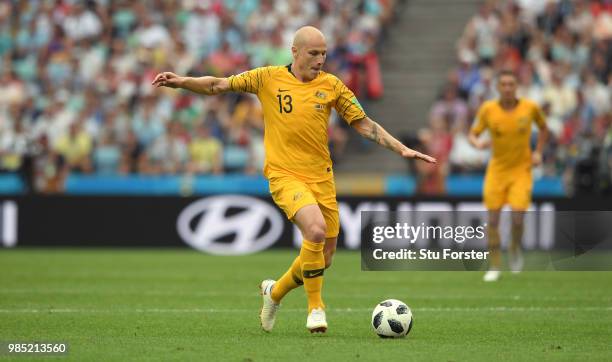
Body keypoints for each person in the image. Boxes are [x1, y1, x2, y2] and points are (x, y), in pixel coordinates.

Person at [152, 26, 436, 333]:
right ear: (295, 52)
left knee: (323, 258)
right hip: (284, 174)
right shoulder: (267, 78)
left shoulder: (332, 86)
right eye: (313, 53)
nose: (320, 60)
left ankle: (273, 293)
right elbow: (218, 85)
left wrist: (403, 149)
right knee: (314, 230)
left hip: (321, 177)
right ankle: (316, 308)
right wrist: (182, 81)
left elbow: (364, 124)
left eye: (324, 53)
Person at [468, 70, 548, 282]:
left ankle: (514, 248)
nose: (507, 88)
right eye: (503, 84)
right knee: (492, 220)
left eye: (511, 84)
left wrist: (538, 151)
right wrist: (477, 143)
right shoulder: (488, 109)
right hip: (497, 171)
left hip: (521, 170)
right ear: (497, 87)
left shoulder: (529, 108)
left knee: (518, 218)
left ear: (516, 87)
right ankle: (495, 265)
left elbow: (543, 128)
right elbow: (473, 133)